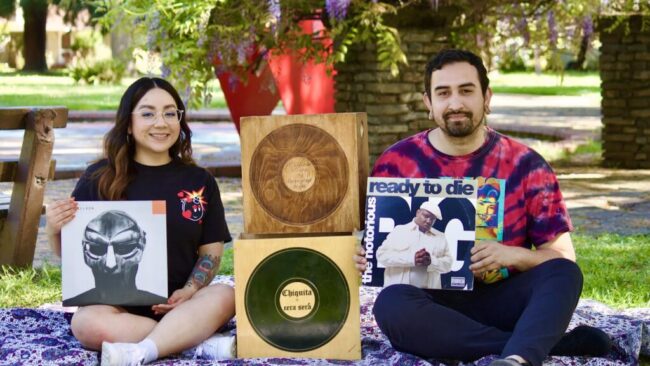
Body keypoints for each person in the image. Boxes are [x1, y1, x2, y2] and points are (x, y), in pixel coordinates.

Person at [360, 49, 612, 366]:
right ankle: (537, 345)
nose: (455, 103)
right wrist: (363, 254)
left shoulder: (526, 164)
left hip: (505, 299)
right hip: (432, 307)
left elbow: (562, 257)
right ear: (428, 102)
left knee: (564, 273)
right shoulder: (397, 162)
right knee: (390, 304)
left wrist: (515, 255)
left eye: (466, 90)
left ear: (486, 96)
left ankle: (514, 358)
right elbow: (378, 250)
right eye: (443, 93)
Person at [46, 77, 236, 365]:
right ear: (129, 124)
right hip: (116, 310)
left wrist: (190, 290)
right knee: (85, 324)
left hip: (182, 304)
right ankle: (194, 343)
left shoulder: (199, 181)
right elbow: (73, 250)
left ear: (180, 121)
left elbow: (211, 253)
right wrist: (53, 228)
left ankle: (144, 349)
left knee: (226, 295)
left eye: (170, 113)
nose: (161, 123)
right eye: (148, 113)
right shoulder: (99, 177)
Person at [64, 210, 167, 306]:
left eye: (124, 248)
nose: (110, 264)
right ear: (84, 249)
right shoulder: (75, 302)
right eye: (97, 248)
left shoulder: (159, 302)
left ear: (142, 244)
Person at [376, 201, 454, 288]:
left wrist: (432, 261)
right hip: (399, 292)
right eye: (426, 216)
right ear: (418, 213)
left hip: (429, 295)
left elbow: (449, 265)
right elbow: (381, 256)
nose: (429, 221)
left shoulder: (440, 237)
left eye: (433, 219)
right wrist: (412, 259)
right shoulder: (400, 231)